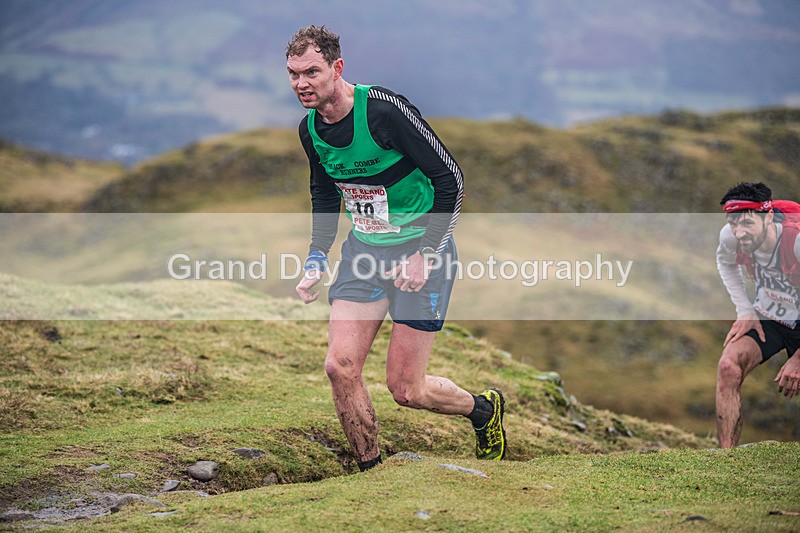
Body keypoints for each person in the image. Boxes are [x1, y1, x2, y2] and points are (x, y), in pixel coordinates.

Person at [285, 25, 506, 471]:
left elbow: (452, 181)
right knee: (339, 367)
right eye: (293, 74)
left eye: (311, 71)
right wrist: (315, 257)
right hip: (364, 253)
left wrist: (427, 253)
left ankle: (483, 411)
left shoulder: (385, 111)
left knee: (407, 390)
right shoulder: (310, 130)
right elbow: (325, 194)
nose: (301, 84)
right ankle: (371, 471)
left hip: (422, 251)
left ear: (336, 67)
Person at [715, 182, 800, 448]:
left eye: (747, 224)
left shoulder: (796, 241)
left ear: (768, 217)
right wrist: (745, 310)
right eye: (733, 224)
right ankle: (726, 460)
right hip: (770, 316)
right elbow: (725, 263)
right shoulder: (731, 237)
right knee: (728, 365)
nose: (739, 233)